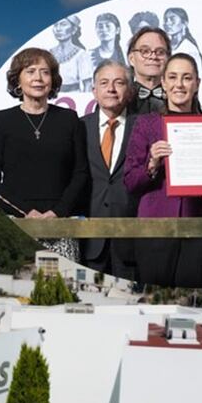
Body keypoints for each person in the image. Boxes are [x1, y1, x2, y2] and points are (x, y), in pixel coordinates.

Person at [124, 54, 202, 288]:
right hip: (154, 231)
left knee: (188, 300)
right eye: (173, 77)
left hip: (196, 234)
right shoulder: (147, 124)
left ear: (197, 83)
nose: (179, 84)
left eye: (187, 78)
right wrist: (152, 163)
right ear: (163, 83)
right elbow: (130, 182)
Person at [0, 47, 89, 223]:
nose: (38, 78)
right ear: (18, 79)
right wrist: (26, 211)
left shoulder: (69, 119)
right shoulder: (1, 120)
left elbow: (81, 173)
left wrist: (58, 211)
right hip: (17, 220)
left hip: (61, 220)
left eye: (45, 72)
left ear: (52, 80)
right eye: (30, 71)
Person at [80, 60, 138, 280]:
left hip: (131, 239)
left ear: (130, 91)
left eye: (119, 83)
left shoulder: (144, 128)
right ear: (94, 91)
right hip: (88, 239)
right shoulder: (78, 127)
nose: (111, 89)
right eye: (104, 83)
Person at [125, 26, 169, 116]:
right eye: (145, 51)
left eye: (160, 52)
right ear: (131, 59)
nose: (153, 57)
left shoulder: (178, 96)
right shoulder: (120, 97)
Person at [48, 17, 93, 93]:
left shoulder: (81, 54)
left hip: (73, 98)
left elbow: (87, 85)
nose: (58, 29)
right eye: (56, 25)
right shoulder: (48, 54)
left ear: (74, 30)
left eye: (63, 24)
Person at [163, 8, 202, 73]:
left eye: (172, 19)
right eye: (165, 20)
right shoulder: (165, 45)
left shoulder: (189, 49)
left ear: (184, 23)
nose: (168, 23)